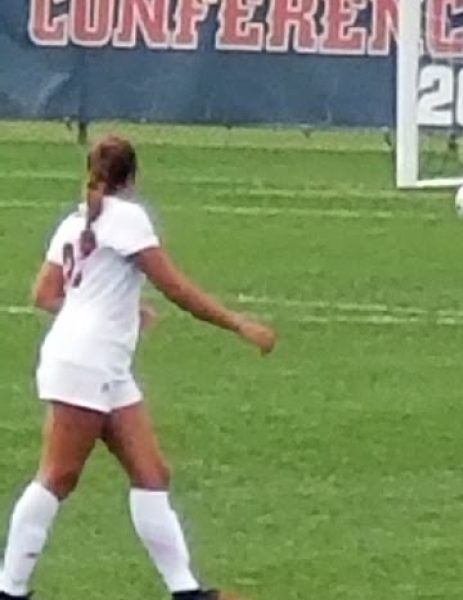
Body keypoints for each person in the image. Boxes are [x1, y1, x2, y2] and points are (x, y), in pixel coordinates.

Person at [0, 135, 277, 600]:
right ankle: (9, 589)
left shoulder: (76, 220)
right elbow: (174, 287)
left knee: (151, 473)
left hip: (101, 363)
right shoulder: (125, 217)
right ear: (132, 176)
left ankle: (186, 591)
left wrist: (115, 311)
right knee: (58, 475)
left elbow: (44, 295)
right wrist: (238, 324)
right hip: (85, 362)